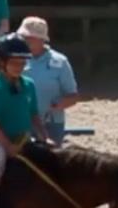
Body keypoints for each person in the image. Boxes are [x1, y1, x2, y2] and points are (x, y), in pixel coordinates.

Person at [0, 33, 52, 208]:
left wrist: (45, 137)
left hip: (23, 137)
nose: (19, 67)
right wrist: (7, 146)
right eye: (14, 63)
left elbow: (34, 115)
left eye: (22, 63)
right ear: (1, 63)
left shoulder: (29, 85)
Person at [18, 16, 80, 146]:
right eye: (23, 37)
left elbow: (73, 96)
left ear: (41, 39)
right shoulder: (16, 59)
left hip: (51, 123)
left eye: (29, 37)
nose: (24, 40)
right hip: (21, 121)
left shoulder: (60, 62)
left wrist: (58, 104)